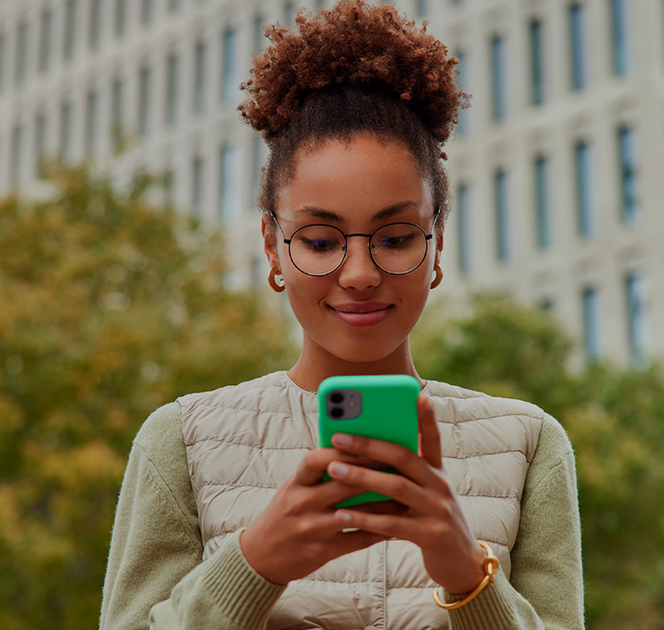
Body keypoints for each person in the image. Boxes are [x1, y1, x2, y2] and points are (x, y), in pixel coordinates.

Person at [99, 2, 583, 628]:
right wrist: (253, 565)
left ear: (437, 240)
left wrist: (468, 575)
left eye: (396, 236)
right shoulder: (180, 439)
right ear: (273, 246)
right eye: (322, 242)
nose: (358, 274)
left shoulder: (530, 443)